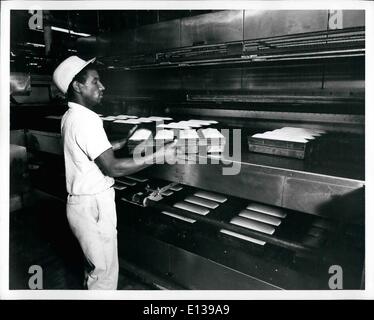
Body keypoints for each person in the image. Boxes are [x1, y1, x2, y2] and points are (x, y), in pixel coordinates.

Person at [53, 56, 177, 290]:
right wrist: (161, 154)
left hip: (80, 205)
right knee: (105, 277)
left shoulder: (70, 116)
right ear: (78, 86)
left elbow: (89, 151)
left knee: (94, 270)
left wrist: (120, 143)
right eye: (95, 82)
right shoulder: (87, 120)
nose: (102, 87)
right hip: (94, 208)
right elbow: (113, 168)